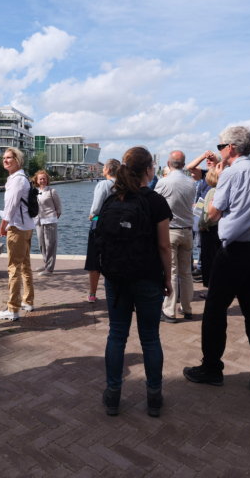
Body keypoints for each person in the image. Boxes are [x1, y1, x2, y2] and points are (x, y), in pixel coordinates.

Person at [183, 126, 250, 407]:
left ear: (232, 148)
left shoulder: (230, 174)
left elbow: (213, 213)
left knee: (215, 310)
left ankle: (212, 368)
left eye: (221, 145)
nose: (220, 149)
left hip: (233, 251)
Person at [101, 147, 173, 418]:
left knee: (117, 335)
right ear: (148, 170)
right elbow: (164, 247)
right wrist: (167, 278)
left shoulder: (113, 198)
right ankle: (154, 397)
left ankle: (112, 396)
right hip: (147, 277)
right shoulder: (156, 201)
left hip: (116, 278)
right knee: (150, 338)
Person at [155, 150, 196, 322]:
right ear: (184, 163)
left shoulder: (163, 182)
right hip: (187, 230)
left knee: (170, 271)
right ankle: (187, 308)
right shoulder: (191, 183)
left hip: (170, 231)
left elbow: (155, 206)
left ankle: (169, 311)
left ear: (168, 163)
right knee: (186, 272)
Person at [0, 147, 36, 321]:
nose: (5, 160)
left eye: (9, 157)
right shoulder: (19, 178)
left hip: (18, 228)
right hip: (26, 226)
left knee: (14, 268)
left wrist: (2, 226)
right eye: (4, 158)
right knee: (25, 266)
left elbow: (10, 207)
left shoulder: (17, 180)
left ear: (17, 160)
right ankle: (28, 301)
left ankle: (12, 309)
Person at [85, 159, 121, 303]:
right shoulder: (123, 185)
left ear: (107, 170)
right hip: (118, 226)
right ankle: (114, 291)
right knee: (114, 258)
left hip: (100, 225)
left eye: (104, 167)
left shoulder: (103, 185)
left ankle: (92, 294)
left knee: (95, 260)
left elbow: (96, 208)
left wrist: (91, 215)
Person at [187, 150, 219, 282]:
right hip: (200, 208)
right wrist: (203, 156)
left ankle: (202, 266)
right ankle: (200, 267)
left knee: (204, 240)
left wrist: (216, 160)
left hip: (212, 210)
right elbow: (190, 167)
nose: (208, 161)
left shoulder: (222, 173)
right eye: (207, 161)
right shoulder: (205, 174)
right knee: (195, 238)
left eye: (211, 160)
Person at [196, 164, 222, 292]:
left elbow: (206, 213)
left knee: (209, 261)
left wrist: (201, 225)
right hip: (220, 230)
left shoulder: (211, 191)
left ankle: (210, 289)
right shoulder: (222, 190)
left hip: (209, 231)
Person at [33, 170, 62, 276]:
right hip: (39, 221)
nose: (42, 180)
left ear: (47, 180)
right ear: (36, 180)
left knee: (50, 244)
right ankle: (46, 264)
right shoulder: (36, 192)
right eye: (40, 179)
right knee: (42, 245)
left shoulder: (52, 191)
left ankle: (49, 269)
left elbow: (59, 208)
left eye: (44, 178)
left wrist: (53, 217)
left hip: (50, 221)